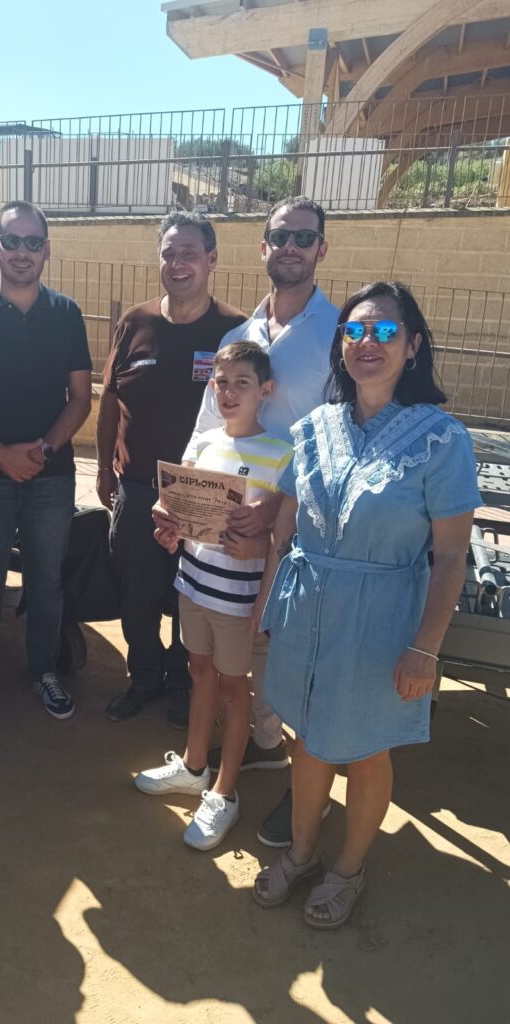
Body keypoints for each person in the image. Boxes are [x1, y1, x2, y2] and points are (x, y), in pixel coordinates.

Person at [251, 282, 480, 929]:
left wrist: (425, 649)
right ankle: (300, 853)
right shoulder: (314, 428)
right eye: (354, 331)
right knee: (307, 739)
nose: (367, 343)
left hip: (381, 623)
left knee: (365, 749)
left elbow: (451, 557)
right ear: (340, 346)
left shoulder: (442, 440)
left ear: (413, 346)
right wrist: (267, 612)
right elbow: (283, 531)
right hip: (306, 612)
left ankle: (347, 869)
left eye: (384, 331)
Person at [173, 197, 339, 843]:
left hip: (304, 521)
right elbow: (204, 432)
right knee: (248, 651)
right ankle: (264, 748)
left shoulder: (337, 334)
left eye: (303, 237)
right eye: (280, 236)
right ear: (263, 246)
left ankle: (308, 792)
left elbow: (339, 436)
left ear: (321, 248)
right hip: (229, 539)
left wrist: (281, 501)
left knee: (294, 651)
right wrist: (181, 499)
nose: (290, 246)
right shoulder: (237, 337)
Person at [0, 201, 92, 731]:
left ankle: (44, 672)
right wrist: (1, 454)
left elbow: (80, 398)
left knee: (47, 583)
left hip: (52, 477)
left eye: (33, 242)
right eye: (12, 241)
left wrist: (43, 450)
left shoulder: (66, 314)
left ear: (47, 249)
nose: (22, 252)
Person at [135, 343, 293, 850]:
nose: (228, 393)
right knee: (198, 672)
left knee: (233, 690)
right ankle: (194, 767)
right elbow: (178, 514)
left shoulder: (281, 454)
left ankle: (225, 793)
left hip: (238, 600)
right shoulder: (202, 442)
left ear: (265, 390)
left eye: (241, 383)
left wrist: (261, 577)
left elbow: (283, 538)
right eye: (221, 383)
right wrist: (168, 530)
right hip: (192, 583)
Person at [96, 211, 247, 728]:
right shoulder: (135, 322)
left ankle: (183, 682)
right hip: (139, 488)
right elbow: (110, 399)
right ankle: (143, 678)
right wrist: (104, 471)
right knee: (136, 592)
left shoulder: (234, 329)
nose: (177, 263)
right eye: (168, 253)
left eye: (189, 253)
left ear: (211, 259)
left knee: (192, 595)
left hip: (206, 492)